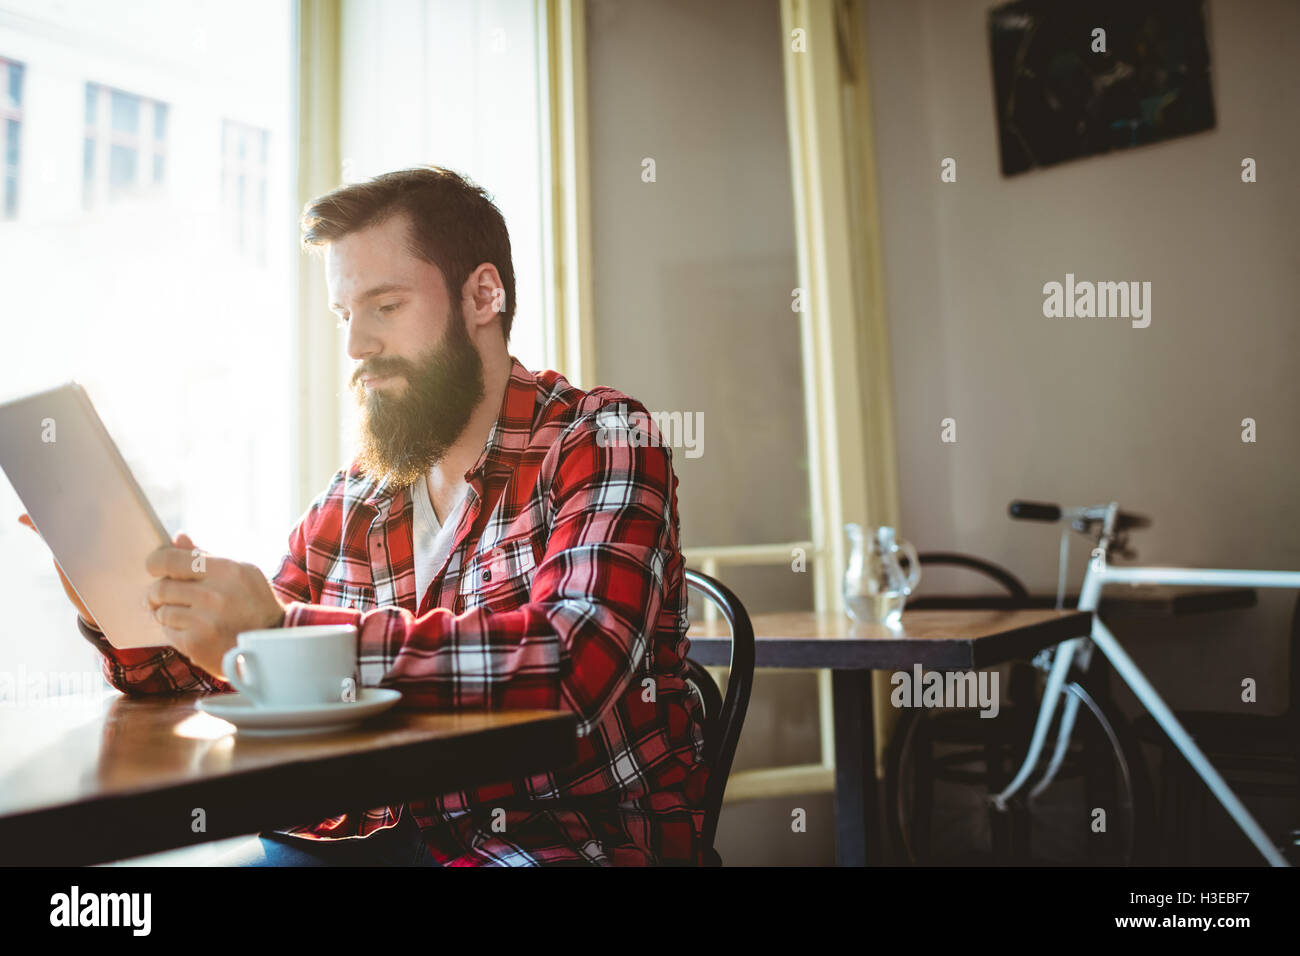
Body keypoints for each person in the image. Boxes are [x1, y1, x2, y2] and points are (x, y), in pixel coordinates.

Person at [24, 166, 708, 867]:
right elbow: (234, 665)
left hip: (554, 839)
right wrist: (127, 615)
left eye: (385, 307)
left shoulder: (605, 437)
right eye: (344, 315)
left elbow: (572, 666)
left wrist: (276, 634)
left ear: (483, 295)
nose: (356, 346)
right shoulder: (361, 489)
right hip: (366, 838)